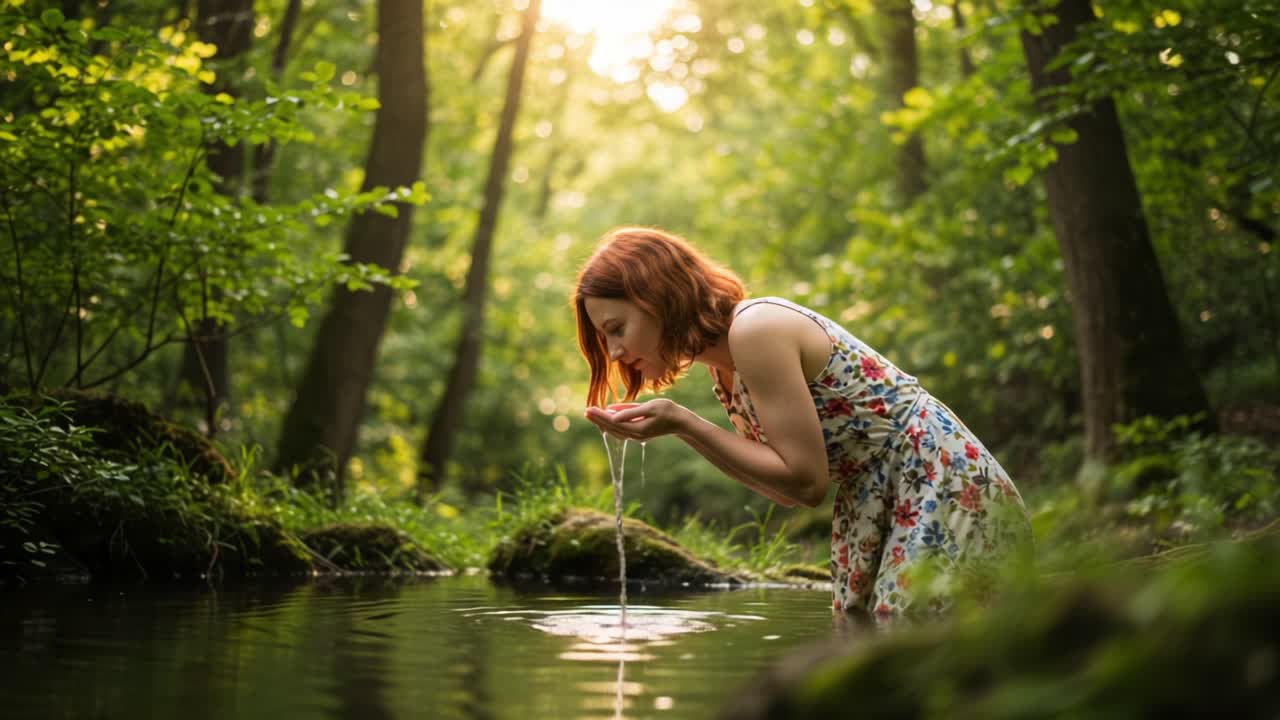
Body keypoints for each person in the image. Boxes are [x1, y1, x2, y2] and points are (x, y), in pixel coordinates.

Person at [577, 226, 1032, 616]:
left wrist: (683, 423)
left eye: (617, 328)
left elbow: (806, 481)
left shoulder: (757, 330)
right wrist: (682, 426)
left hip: (937, 483)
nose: (615, 352)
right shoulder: (725, 368)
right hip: (877, 498)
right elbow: (789, 492)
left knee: (930, 656)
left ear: (657, 298)